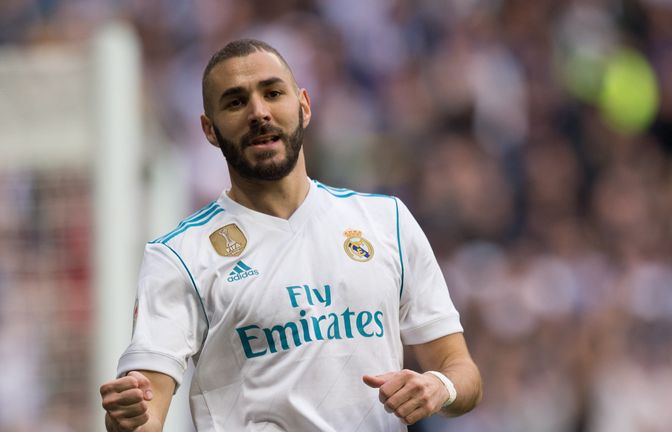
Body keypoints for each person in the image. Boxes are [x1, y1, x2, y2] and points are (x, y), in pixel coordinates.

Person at [99, 38, 482, 431]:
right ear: (209, 130)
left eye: (273, 93)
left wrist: (439, 386)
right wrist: (123, 418)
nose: (259, 112)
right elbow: (144, 413)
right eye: (235, 102)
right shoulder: (179, 256)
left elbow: (462, 372)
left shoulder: (387, 221)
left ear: (304, 105)